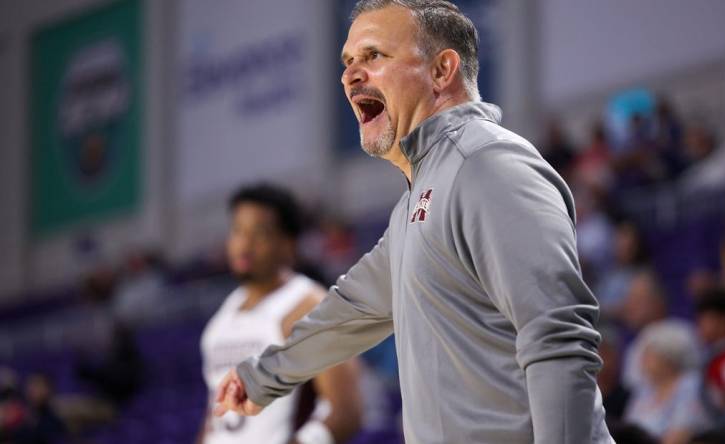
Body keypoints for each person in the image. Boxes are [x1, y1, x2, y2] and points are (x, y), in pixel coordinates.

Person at [214, 2, 613, 443]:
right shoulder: (416, 201)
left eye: (373, 56)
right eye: (348, 62)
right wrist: (261, 376)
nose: (350, 75)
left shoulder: (487, 165)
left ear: (443, 70)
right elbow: (352, 311)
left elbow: (557, 339)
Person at [199, 184, 362, 444]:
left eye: (259, 234)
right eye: (238, 231)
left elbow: (345, 411)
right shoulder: (221, 319)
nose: (244, 243)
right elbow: (214, 417)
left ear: (288, 244)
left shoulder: (311, 306)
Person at [624, 320, 708, 444]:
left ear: (668, 357)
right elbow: (627, 430)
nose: (641, 360)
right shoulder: (645, 390)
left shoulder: (690, 385)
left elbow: (681, 434)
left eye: (649, 354)